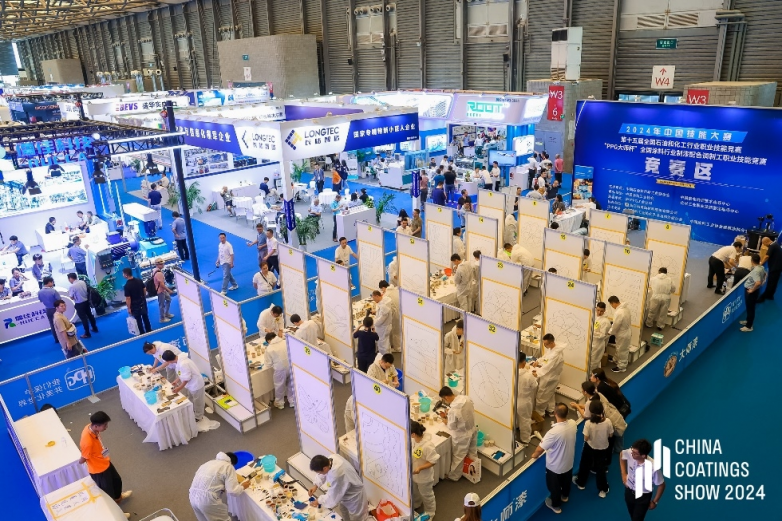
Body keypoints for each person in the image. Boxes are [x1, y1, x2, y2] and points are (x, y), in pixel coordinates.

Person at [79, 412, 132, 513]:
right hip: (99, 470)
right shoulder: (87, 442)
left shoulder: (90, 427)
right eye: (105, 425)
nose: (106, 427)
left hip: (105, 462)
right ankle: (118, 513)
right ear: (96, 426)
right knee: (108, 493)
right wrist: (79, 461)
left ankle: (118, 498)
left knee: (117, 481)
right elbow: (83, 459)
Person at [530, 403, 576, 514]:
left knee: (554, 488)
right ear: (567, 413)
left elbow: (539, 450)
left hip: (555, 467)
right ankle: (565, 496)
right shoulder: (573, 424)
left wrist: (533, 456)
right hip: (568, 462)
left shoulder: (552, 433)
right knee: (566, 482)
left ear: (555, 414)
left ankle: (556, 506)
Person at [189, 452, 250, 521]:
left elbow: (208, 481)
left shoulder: (208, 463)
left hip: (192, 496)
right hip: (207, 500)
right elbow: (233, 491)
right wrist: (242, 487)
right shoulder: (228, 466)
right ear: (232, 463)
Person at [573, 381, 627, 457]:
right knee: (618, 436)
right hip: (615, 419)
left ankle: (614, 451)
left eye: (582, 390)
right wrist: (580, 406)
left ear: (585, 392)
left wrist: (577, 406)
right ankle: (619, 450)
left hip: (611, 427)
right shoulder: (598, 394)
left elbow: (586, 415)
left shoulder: (589, 404)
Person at [573, 400, 613, 497]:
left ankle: (581, 483)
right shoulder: (608, 421)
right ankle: (603, 490)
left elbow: (586, 438)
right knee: (601, 469)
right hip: (603, 448)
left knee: (584, 464)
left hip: (590, 447)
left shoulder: (588, 423)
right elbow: (611, 435)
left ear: (591, 411)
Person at [308, 454, 367, 521]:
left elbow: (332, 497)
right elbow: (323, 474)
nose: (319, 474)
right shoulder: (331, 459)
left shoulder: (337, 475)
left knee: (357, 518)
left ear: (324, 468)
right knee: (344, 512)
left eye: (319, 472)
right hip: (343, 493)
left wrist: (319, 501)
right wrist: (316, 485)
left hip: (354, 497)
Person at [438, 386, 478, 481]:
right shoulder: (466, 398)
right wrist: (450, 413)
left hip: (462, 435)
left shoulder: (453, 410)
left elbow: (451, 426)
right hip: (472, 429)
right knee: (472, 451)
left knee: (459, 457)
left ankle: (454, 476)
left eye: (444, 399)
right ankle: (476, 470)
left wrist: (446, 420)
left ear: (446, 397)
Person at [621, 439, 666, 520]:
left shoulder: (653, 467)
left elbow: (661, 485)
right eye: (632, 451)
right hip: (629, 491)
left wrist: (655, 501)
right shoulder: (631, 452)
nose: (631, 454)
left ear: (643, 456)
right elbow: (622, 454)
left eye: (635, 453)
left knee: (637, 519)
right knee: (632, 514)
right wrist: (623, 474)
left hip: (643, 497)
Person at [163, 350, 206, 421]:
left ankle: (199, 416)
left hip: (196, 384)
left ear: (169, 361)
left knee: (198, 402)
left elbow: (186, 379)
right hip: (190, 385)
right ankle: (192, 410)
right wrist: (176, 381)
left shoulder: (183, 364)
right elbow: (182, 373)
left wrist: (179, 388)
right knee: (191, 398)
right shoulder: (178, 359)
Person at [410, 420, 439, 518]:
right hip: (414, 474)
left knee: (427, 495)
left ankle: (430, 512)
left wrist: (420, 468)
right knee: (415, 491)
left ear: (413, 434)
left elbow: (433, 461)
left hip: (424, 477)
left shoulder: (427, 446)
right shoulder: (414, 440)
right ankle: (417, 504)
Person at [532, 334, 565, 416]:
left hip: (549, 377)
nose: (544, 345)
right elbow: (546, 357)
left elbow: (547, 367)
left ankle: (540, 414)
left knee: (542, 395)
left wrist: (537, 373)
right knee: (550, 393)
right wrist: (538, 361)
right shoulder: (552, 349)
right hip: (550, 375)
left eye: (545, 344)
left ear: (551, 343)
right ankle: (551, 410)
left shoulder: (556, 354)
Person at [263, 332, 294, 408]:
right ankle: (292, 401)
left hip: (280, 369)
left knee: (279, 387)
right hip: (290, 366)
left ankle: (280, 403)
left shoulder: (269, 348)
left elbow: (268, 364)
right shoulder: (285, 341)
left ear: (269, 340)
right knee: (291, 385)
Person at [516, 352, 539, 445]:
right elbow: (535, 386)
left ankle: (516, 428)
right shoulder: (528, 376)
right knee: (525, 420)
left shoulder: (511, 372)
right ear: (524, 362)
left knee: (515, 418)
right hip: (524, 402)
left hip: (513, 400)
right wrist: (534, 377)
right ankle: (525, 440)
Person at [740, 253, 765, 332]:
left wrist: (752, 290)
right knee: (749, 307)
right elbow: (765, 274)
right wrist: (763, 281)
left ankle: (749, 326)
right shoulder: (761, 267)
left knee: (750, 308)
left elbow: (758, 282)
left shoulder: (756, 271)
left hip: (751, 292)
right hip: (754, 291)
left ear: (752, 261)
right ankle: (748, 320)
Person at [67, 272, 97, 338]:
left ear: (70, 278)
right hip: (86, 301)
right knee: (90, 315)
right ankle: (94, 328)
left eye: (68, 279)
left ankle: (87, 333)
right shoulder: (82, 282)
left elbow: (71, 297)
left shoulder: (72, 286)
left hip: (79, 304)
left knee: (84, 319)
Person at [122, 268, 151, 335]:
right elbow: (144, 289)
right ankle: (149, 329)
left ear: (126, 274)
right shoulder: (139, 280)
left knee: (138, 318)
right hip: (142, 300)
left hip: (134, 303)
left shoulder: (127, 286)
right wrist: (143, 297)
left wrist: (129, 308)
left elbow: (128, 298)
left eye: (123, 274)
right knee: (145, 316)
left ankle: (142, 332)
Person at [609, 296, 632, 373]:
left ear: (613, 303)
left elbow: (616, 325)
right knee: (619, 347)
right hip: (625, 331)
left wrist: (610, 332)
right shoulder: (626, 308)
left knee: (622, 350)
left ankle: (622, 366)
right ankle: (616, 359)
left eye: (611, 305)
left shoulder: (619, 312)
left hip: (622, 333)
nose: (612, 306)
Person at [38, 276, 60, 343]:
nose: (53, 283)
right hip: (56, 310)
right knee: (60, 324)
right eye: (52, 282)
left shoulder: (39, 292)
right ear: (49, 282)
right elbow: (59, 300)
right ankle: (62, 338)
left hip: (48, 309)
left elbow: (41, 300)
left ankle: (56, 339)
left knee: (52, 325)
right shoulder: (53, 291)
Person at [759, 237, 781, 302]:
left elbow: (767, 256)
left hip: (774, 268)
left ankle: (764, 297)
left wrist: (760, 264)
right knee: (774, 282)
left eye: (764, 244)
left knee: (770, 282)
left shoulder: (772, 246)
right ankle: (770, 295)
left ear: (766, 242)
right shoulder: (776, 245)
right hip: (778, 267)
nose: (764, 245)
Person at [370, 291, 393, 355]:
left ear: (377, 296)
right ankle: (388, 356)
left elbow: (381, 319)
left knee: (383, 344)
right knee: (386, 343)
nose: (374, 301)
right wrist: (376, 312)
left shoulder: (384, 306)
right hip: (386, 326)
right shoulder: (384, 301)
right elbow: (381, 312)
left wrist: (373, 323)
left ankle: (384, 357)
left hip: (383, 328)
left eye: (374, 299)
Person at [591, 302, 612, 371]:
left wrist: (592, 332)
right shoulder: (594, 316)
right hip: (592, 342)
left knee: (594, 361)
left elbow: (602, 335)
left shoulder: (605, 321)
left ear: (604, 310)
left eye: (601, 311)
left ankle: (592, 375)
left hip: (598, 344)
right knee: (591, 360)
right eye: (598, 310)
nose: (599, 312)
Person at [153, 258, 174, 323]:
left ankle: (166, 313)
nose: (163, 265)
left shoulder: (155, 270)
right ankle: (162, 318)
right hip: (161, 291)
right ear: (158, 265)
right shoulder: (159, 273)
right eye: (161, 264)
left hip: (162, 290)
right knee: (162, 305)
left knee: (168, 299)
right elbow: (161, 284)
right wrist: (169, 290)